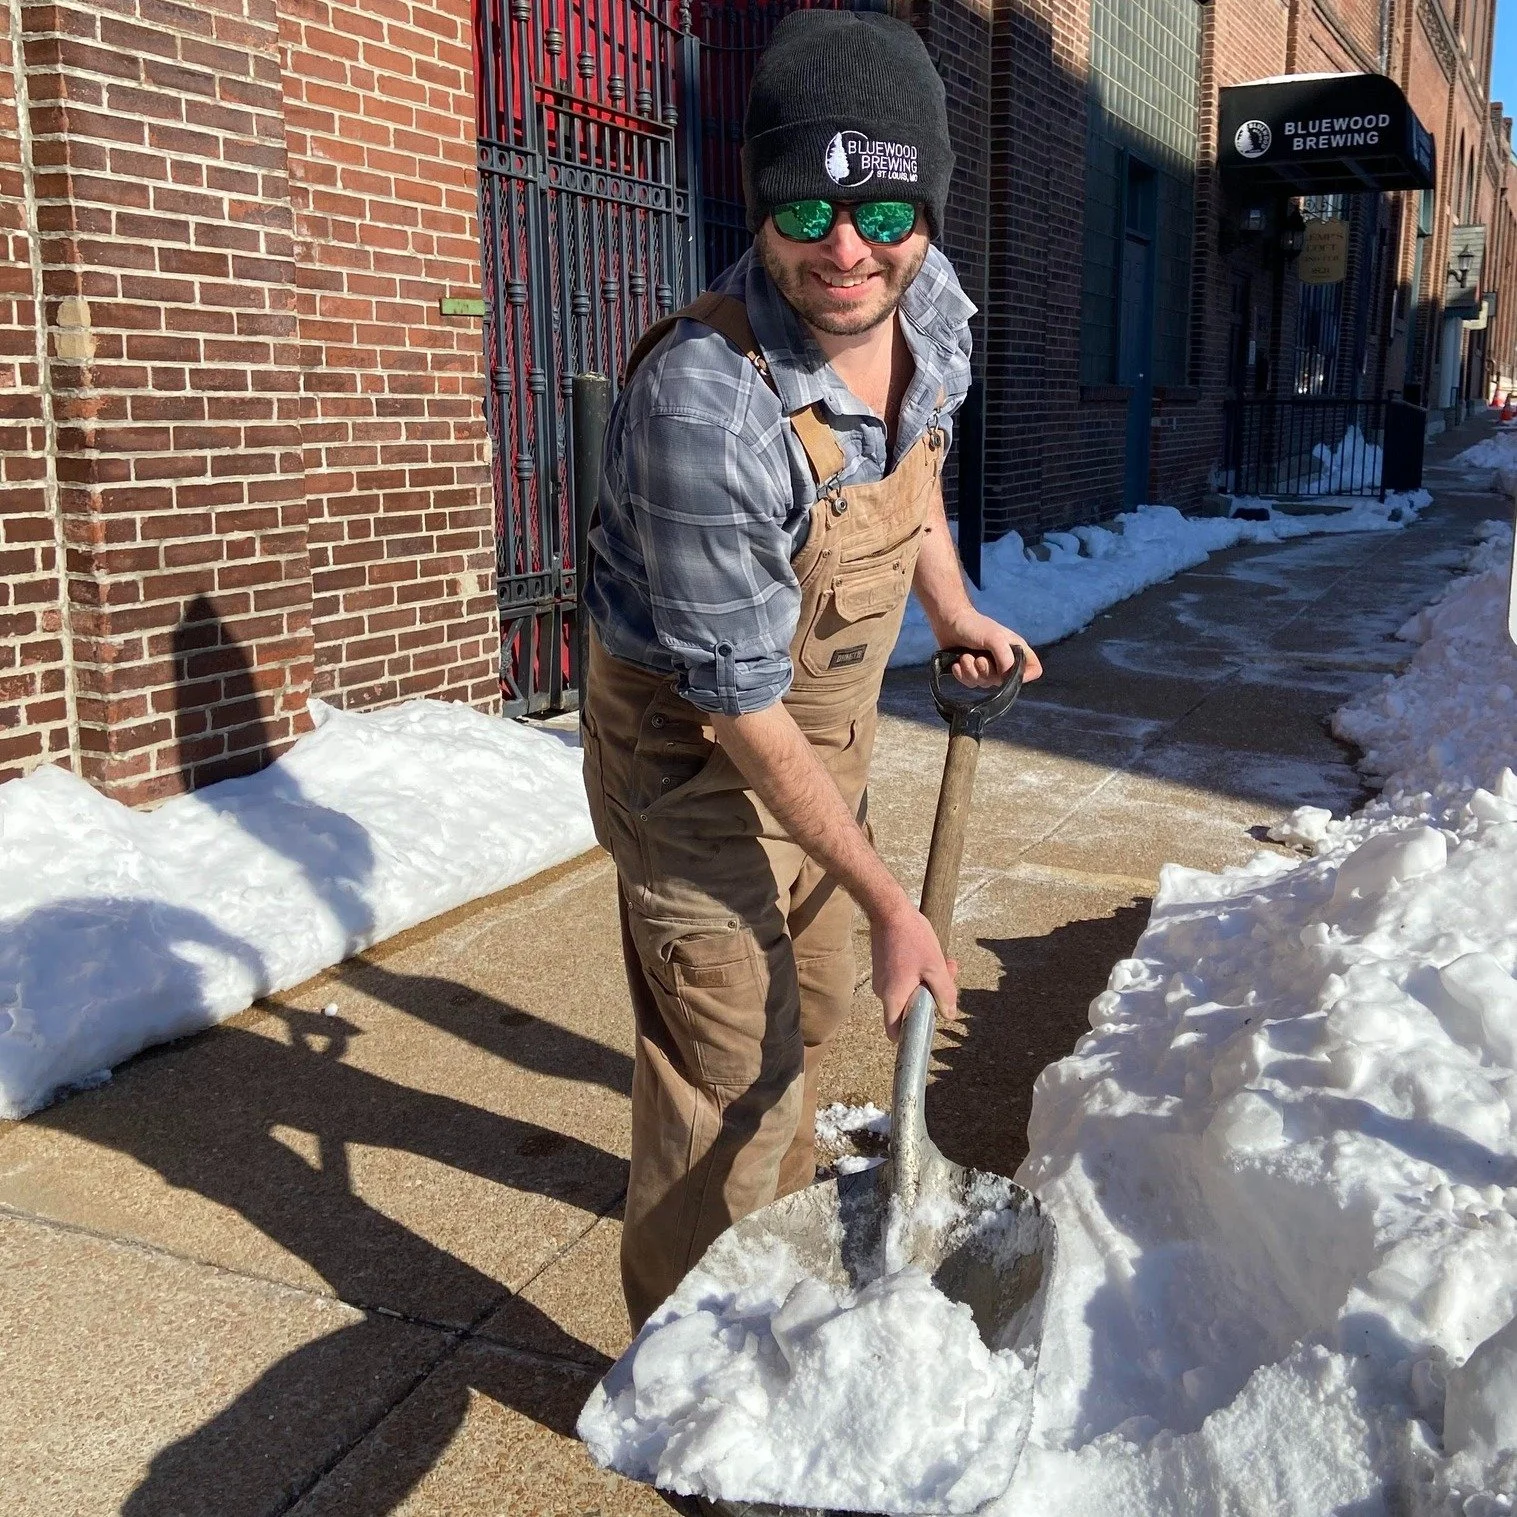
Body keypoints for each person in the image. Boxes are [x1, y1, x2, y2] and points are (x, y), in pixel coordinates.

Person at [581, 8, 1042, 1331]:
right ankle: (698, 1368)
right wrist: (900, 899)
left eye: (886, 208)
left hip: (816, 738)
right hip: (694, 764)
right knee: (735, 1081)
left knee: (821, 1008)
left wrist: (951, 608)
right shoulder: (703, 410)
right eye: (809, 205)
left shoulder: (931, 308)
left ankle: (778, 1245)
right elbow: (734, 710)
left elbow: (914, 463)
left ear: (927, 211)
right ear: (762, 205)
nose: (849, 248)